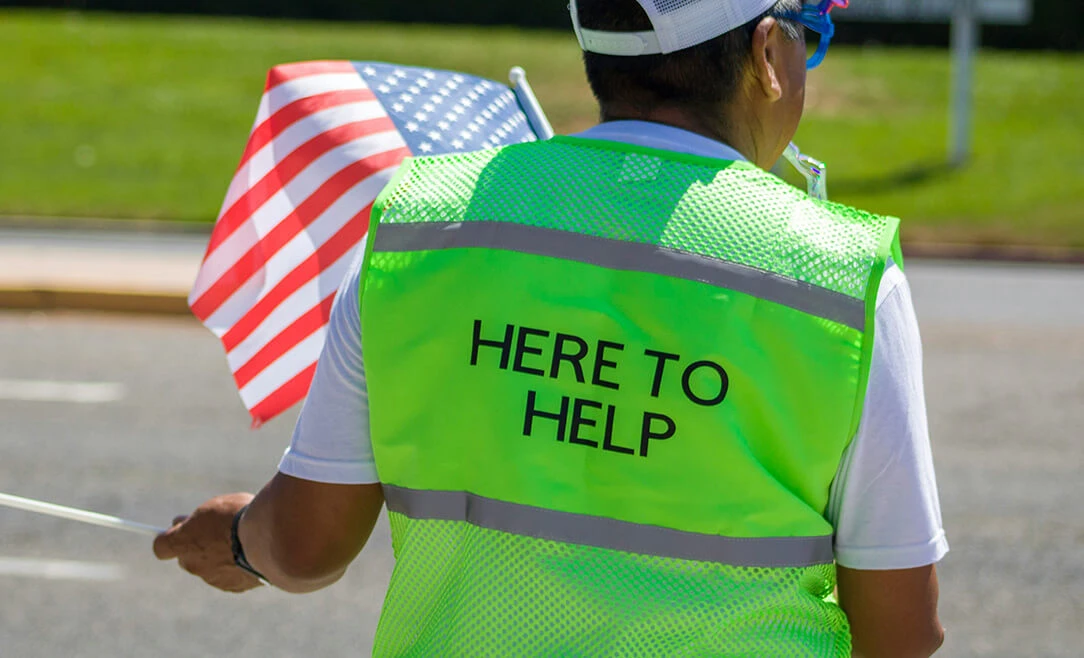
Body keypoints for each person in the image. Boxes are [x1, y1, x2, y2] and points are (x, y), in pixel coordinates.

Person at [154, 0, 949, 655]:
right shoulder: (843, 279)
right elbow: (902, 634)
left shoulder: (424, 227)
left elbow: (303, 545)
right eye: (813, 34)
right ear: (769, 54)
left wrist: (238, 538)